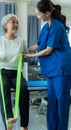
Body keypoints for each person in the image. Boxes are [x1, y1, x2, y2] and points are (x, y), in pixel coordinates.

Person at [24, 0, 71, 130]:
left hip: (61, 68)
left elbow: (48, 50)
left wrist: (29, 57)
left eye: (38, 14)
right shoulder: (45, 27)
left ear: (47, 13)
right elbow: (38, 45)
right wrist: (24, 51)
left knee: (61, 102)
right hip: (51, 70)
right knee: (52, 101)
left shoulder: (56, 26)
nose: (37, 16)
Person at [0, 14, 29, 130]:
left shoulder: (21, 41)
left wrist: (23, 56)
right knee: (4, 87)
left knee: (23, 88)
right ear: (5, 25)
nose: (16, 25)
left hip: (16, 72)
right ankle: (9, 121)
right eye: (13, 22)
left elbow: (26, 57)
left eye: (17, 23)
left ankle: (24, 125)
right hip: (2, 73)